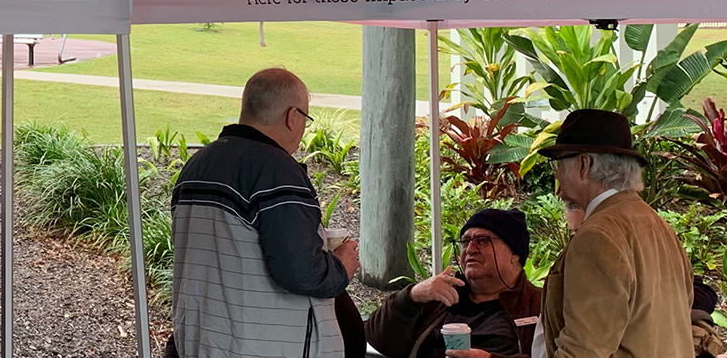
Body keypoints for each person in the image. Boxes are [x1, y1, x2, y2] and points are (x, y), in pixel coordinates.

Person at [171, 68, 355, 358]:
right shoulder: (277, 170)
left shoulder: (198, 164)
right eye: (305, 119)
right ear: (292, 117)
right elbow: (299, 272)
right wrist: (340, 266)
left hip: (203, 339)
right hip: (265, 344)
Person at [537, 109, 694, 358]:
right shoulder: (657, 224)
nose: (556, 175)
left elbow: (584, 350)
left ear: (583, 164)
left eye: (559, 163)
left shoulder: (597, 236)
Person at [366, 209, 544, 358]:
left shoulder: (541, 305)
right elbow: (378, 342)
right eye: (465, 242)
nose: (470, 250)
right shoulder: (440, 297)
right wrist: (411, 297)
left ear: (515, 254)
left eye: (483, 241)